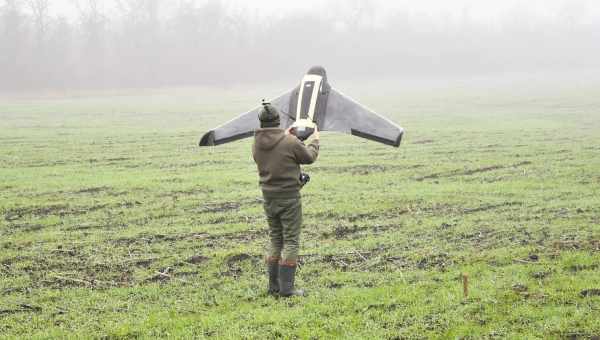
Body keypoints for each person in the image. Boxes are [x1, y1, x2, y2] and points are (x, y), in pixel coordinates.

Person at [252, 102, 319, 297]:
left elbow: (274, 156)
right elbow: (308, 157)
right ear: (278, 120)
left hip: (269, 198)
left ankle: (273, 287)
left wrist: (288, 135)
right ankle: (287, 290)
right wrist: (315, 140)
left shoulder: (257, 143)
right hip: (289, 198)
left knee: (276, 239)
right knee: (291, 241)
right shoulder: (289, 141)